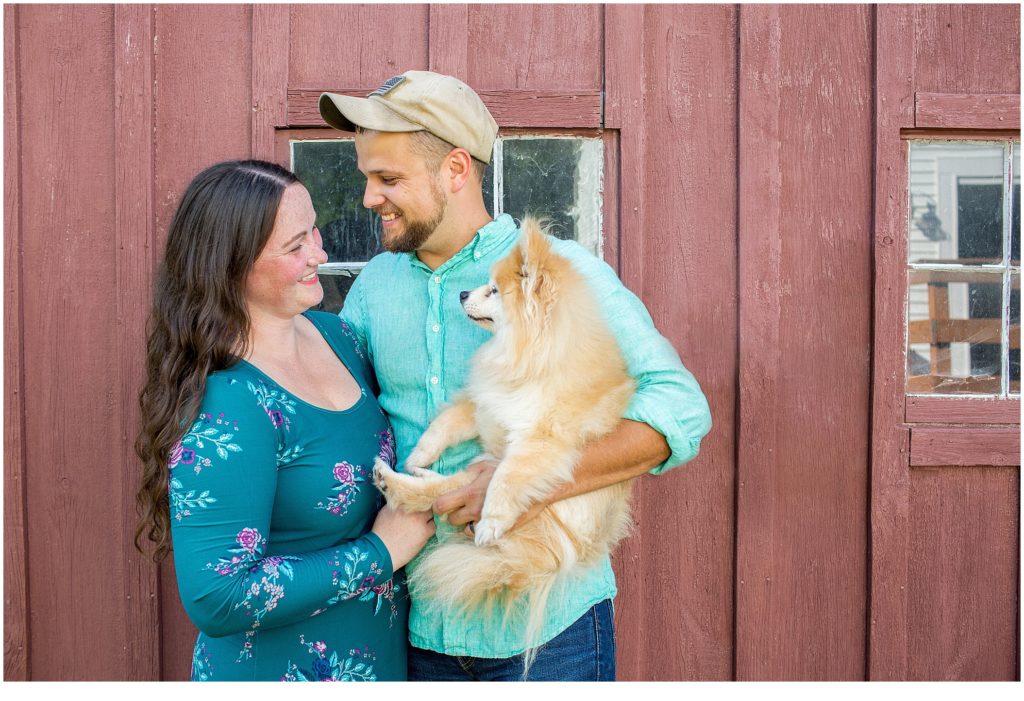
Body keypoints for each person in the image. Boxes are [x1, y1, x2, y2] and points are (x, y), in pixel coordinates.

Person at [319, 71, 712, 681]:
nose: (370, 198)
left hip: (549, 632)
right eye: (366, 178)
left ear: (455, 170)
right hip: (414, 629)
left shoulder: (560, 276)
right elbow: (327, 415)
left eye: (389, 179)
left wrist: (526, 484)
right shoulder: (373, 288)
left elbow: (681, 409)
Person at [133, 159, 435, 681]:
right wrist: (381, 553)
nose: (319, 253)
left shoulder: (338, 338)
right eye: (294, 247)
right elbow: (218, 597)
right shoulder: (225, 402)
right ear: (230, 266)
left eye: (313, 230)